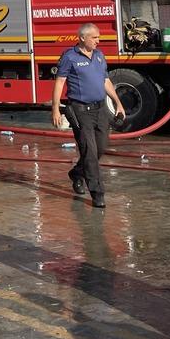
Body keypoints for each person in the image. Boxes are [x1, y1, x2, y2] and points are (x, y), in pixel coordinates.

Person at [51, 23, 127, 208]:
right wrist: (55, 109)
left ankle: (77, 173)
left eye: (98, 37)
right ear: (83, 38)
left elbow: (105, 80)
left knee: (100, 148)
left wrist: (118, 102)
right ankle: (97, 192)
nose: (98, 41)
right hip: (80, 110)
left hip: (100, 109)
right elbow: (60, 82)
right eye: (94, 38)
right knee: (90, 152)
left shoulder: (99, 56)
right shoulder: (70, 57)